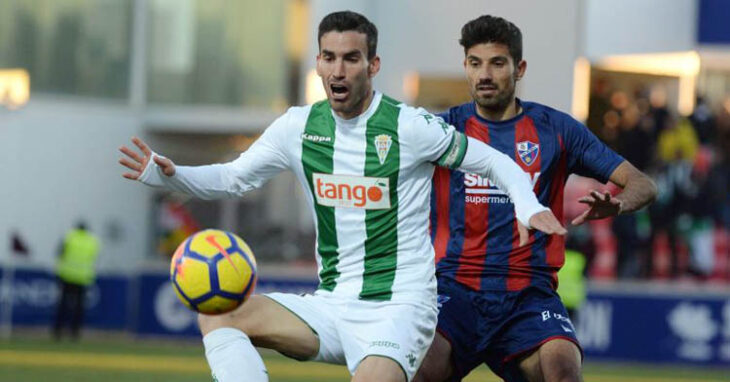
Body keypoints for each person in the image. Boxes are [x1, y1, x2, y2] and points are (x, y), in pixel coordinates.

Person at [119, 11, 566, 382]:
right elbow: (234, 177)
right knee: (216, 315)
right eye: (329, 58)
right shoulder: (297, 128)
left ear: (373, 65)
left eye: (351, 58)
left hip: (400, 309)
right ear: (317, 62)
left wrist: (528, 206)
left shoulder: (409, 127)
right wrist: (169, 176)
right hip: (332, 305)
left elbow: (495, 162)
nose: (338, 70)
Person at [415, 15, 657, 382]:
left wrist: (619, 203)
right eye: (475, 63)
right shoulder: (440, 129)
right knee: (417, 367)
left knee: (561, 369)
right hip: (453, 289)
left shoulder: (556, 130)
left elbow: (643, 183)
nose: (484, 74)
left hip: (529, 294)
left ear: (519, 68)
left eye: (497, 63)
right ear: (465, 66)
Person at [52, 221, 100, 341]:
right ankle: (75, 332)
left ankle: (58, 331)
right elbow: (94, 257)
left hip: (67, 275)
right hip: (83, 278)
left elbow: (59, 253)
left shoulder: (69, 237)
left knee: (63, 305)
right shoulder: (92, 241)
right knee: (79, 308)